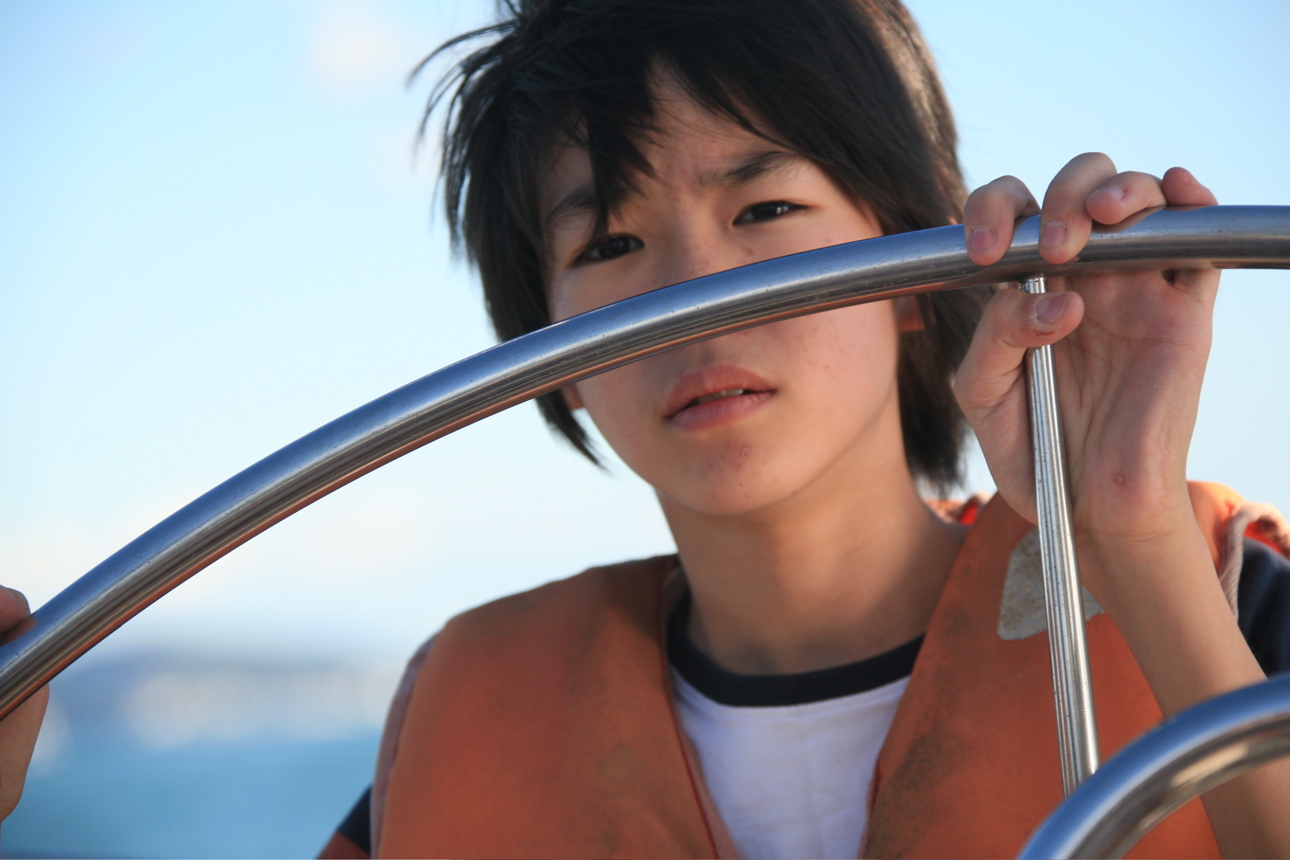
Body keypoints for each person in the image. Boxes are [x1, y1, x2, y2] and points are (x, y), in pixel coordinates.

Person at [307, 0, 1290, 857]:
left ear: (916, 270)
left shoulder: (1226, 593)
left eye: (765, 207)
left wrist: (1127, 523)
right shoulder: (462, 721)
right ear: (551, 357)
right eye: (610, 244)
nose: (695, 297)